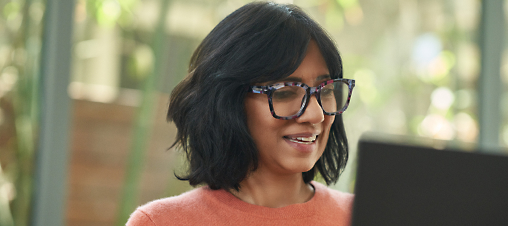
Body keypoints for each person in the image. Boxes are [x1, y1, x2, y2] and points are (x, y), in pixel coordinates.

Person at [126, 1, 356, 225]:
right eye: (285, 92)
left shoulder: (366, 217)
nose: (315, 115)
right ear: (228, 102)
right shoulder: (160, 222)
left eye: (325, 89)